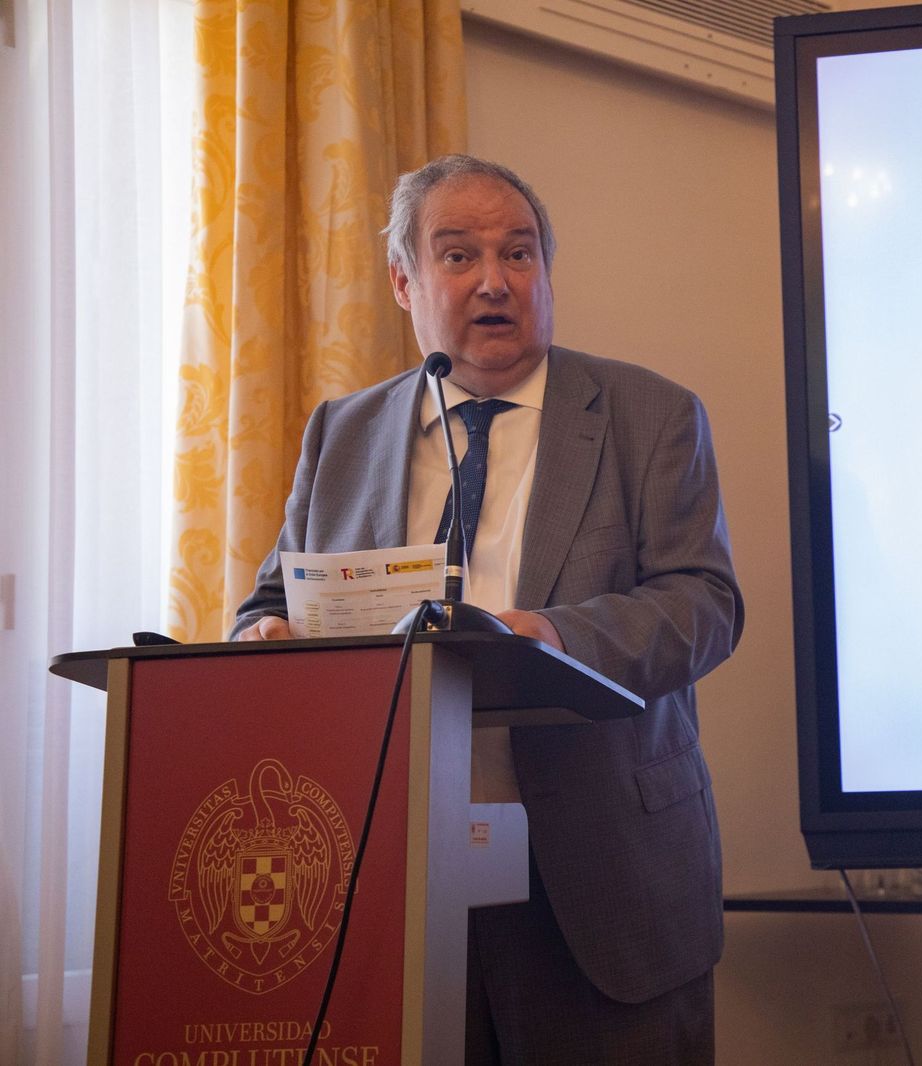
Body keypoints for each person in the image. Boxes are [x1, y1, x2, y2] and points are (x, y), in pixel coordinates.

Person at [232, 153, 743, 1063]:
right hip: (393, 868)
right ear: (404, 282)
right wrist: (265, 638)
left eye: (519, 252)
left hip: (600, 865)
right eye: (459, 255)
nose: (495, 281)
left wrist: (552, 636)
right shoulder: (343, 433)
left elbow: (702, 602)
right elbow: (270, 601)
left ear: (546, 271)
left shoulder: (650, 414)